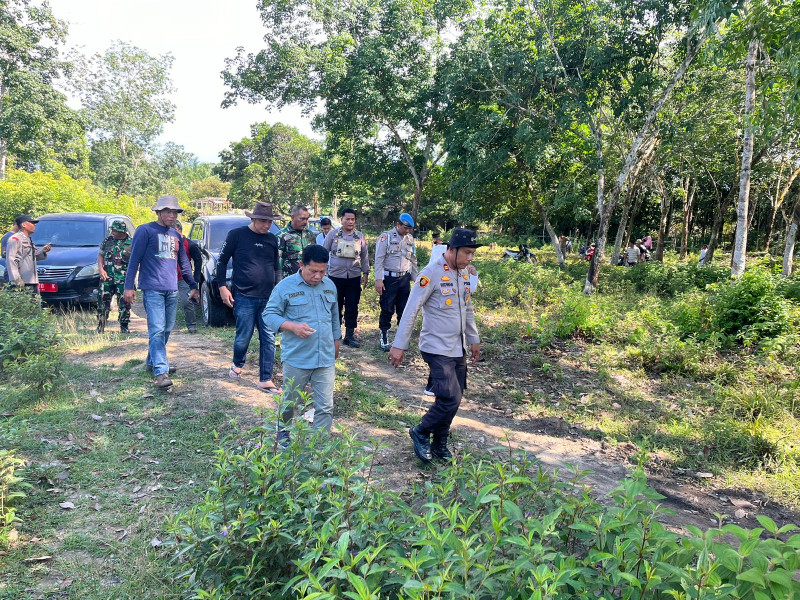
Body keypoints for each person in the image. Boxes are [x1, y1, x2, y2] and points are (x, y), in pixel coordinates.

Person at [389, 228, 481, 463]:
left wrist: (473, 339)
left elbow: (467, 308)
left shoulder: (463, 274)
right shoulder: (431, 273)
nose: (470, 258)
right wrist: (399, 345)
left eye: (472, 253)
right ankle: (420, 431)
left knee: (454, 397)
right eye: (467, 253)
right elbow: (411, 310)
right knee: (449, 396)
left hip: (458, 346)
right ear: (452, 249)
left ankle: (440, 442)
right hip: (436, 347)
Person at [264, 244, 341, 443]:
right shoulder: (285, 287)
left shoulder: (329, 286)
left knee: (325, 406)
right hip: (297, 358)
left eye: (322, 271)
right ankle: (283, 434)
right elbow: (269, 315)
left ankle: (319, 444)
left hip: (325, 357)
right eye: (313, 271)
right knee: (290, 402)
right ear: (301, 265)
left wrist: (336, 342)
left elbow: (334, 317)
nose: (318, 276)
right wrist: (292, 326)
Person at [123, 195, 199, 389]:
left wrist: (193, 285)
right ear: (158, 212)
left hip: (171, 289)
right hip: (152, 288)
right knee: (156, 329)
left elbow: (184, 264)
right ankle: (161, 371)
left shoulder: (176, 235)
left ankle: (152, 361)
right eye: (167, 212)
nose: (172, 215)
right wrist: (128, 286)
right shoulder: (145, 230)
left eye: (175, 212)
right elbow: (134, 260)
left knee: (166, 329)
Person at [216, 201, 283, 394]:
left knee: (268, 338)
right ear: (253, 219)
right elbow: (221, 262)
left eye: (269, 222)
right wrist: (222, 287)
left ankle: (265, 379)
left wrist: (278, 289)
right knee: (243, 337)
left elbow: (276, 267)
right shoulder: (236, 235)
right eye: (263, 221)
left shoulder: (272, 239)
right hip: (244, 295)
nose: (267, 225)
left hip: (268, 298)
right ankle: (237, 364)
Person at [322, 208, 369, 348]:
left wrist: (366, 273)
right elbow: (323, 253)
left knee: (352, 306)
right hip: (335, 277)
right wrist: (321, 272)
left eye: (352, 219)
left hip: (354, 277)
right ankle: (335, 335)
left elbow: (365, 256)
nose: (350, 222)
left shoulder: (359, 236)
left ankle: (349, 336)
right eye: (347, 219)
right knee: (335, 306)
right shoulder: (332, 234)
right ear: (341, 219)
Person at [374, 213, 418, 351]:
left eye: (409, 229)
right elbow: (379, 259)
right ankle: (384, 336)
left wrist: (416, 280)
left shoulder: (410, 239)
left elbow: (413, 260)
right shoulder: (386, 237)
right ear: (398, 224)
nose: (407, 231)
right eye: (405, 228)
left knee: (403, 309)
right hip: (389, 279)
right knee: (387, 308)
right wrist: (378, 279)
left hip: (404, 279)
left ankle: (401, 339)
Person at [97, 220, 133, 334]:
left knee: (124, 303)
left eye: (115, 230)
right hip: (107, 277)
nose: (112, 232)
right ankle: (101, 325)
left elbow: (136, 260)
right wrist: (101, 269)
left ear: (122, 231)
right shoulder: (107, 241)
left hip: (123, 279)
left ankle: (124, 326)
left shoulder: (131, 243)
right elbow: (100, 255)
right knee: (102, 301)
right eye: (112, 230)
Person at [172, 221, 203, 333]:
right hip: (168, 278)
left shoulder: (190, 244)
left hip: (183, 278)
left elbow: (198, 261)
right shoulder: (166, 243)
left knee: (187, 301)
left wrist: (195, 279)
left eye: (174, 231)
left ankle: (192, 326)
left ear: (180, 231)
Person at [6, 215, 50, 291]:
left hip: (32, 280)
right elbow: (11, 260)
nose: (34, 225)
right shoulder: (15, 239)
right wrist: (16, 279)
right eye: (32, 223)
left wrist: (43, 251)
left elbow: (32, 257)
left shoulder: (28, 239)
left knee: (34, 299)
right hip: (22, 281)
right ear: (24, 225)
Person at [278, 205, 317, 278]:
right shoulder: (282, 236)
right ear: (292, 217)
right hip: (289, 280)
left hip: (308, 279)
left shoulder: (310, 235)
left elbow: (315, 257)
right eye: (302, 219)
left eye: (307, 219)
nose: (305, 222)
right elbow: (276, 262)